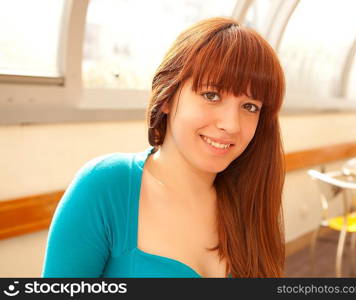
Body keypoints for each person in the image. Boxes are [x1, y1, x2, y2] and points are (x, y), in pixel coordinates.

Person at [42, 17, 286, 278]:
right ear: (167, 97)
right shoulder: (106, 185)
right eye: (211, 95)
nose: (231, 124)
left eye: (250, 107)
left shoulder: (251, 200)